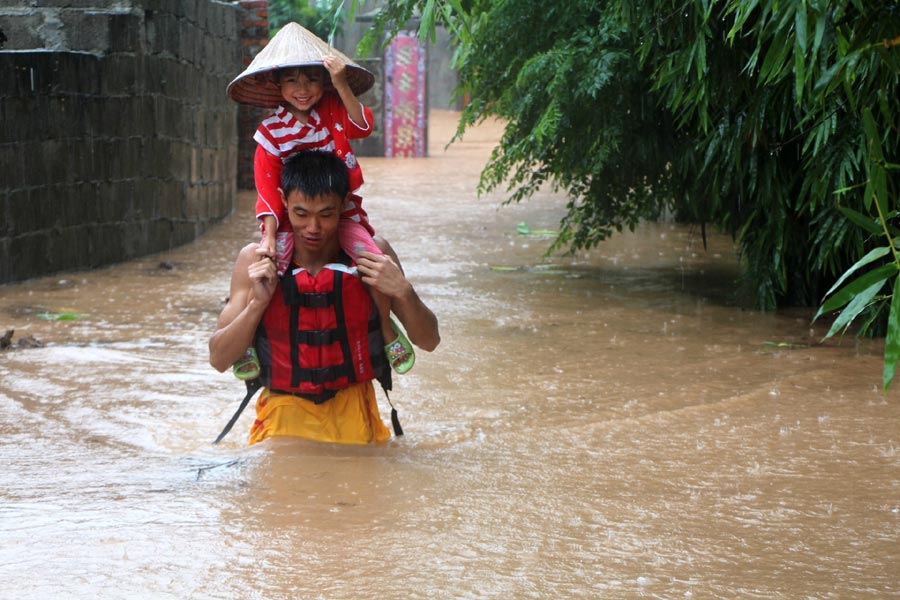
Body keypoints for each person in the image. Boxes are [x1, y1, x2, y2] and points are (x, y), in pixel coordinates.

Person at [209, 150, 440, 446]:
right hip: (281, 416)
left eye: (326, 214)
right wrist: (257, 304)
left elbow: (429, 341)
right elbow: (218, 358)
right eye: (301, 214)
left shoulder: (373, 254)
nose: (313, 228)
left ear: (344, 203)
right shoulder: (255, 260)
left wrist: (403, 291)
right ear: (283, 201)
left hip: (356, 412)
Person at [226, 22, 416, 375]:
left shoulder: (333, 108)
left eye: (312, 79)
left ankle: (388, 332)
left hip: (340, 214)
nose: (303, 89)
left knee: (373, 260)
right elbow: (267, 190)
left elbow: (362, 128)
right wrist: (268, 239)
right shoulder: (270, 132)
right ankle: (246, 341)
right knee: (264, 274)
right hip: (289, 220)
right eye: (292, 81)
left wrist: (341, 83)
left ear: (323, 82)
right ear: (277, 85)